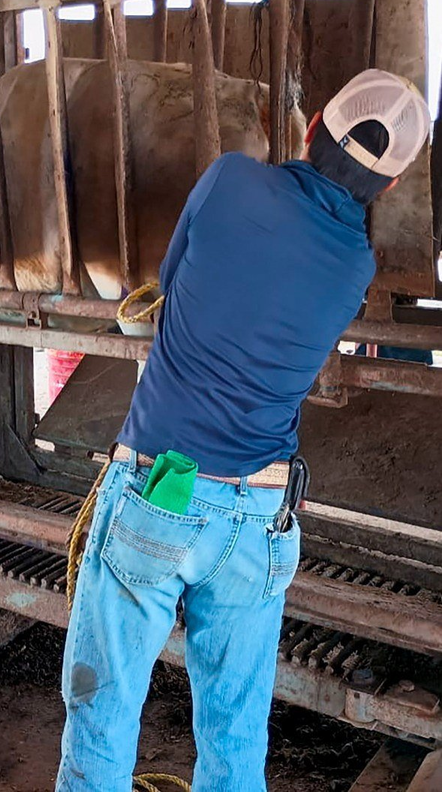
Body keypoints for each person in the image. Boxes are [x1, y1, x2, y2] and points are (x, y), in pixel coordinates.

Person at [55, 69, 430, 792]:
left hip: (158, 493)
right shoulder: (355, 265)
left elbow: (169, 283)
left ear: (312, 126)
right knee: (235, 737)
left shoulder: (229, 180)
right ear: (389, 185)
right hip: (260, 517)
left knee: (103, 715)